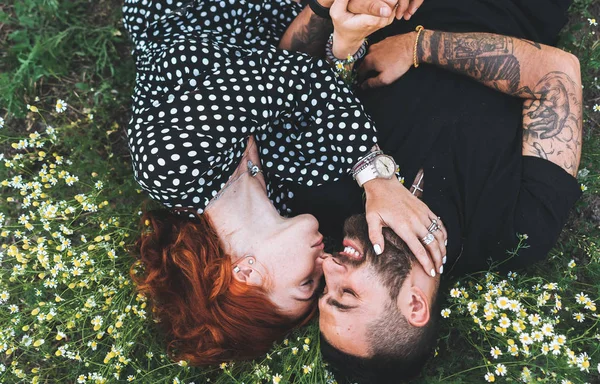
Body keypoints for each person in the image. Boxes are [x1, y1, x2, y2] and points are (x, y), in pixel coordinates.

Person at [121, 0, 437, 366]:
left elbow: (299, 82)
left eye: (306, 284)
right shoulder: (282, 195)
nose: (325, 264)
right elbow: (329, 83)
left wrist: (376, 179)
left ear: (248, 273)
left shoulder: (171, 168)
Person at [285, 0, 582, 382]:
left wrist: (324, 6)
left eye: (324, 288)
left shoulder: (329, 205)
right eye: (346, 294)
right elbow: (557, 75)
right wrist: (417, 48)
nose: (326, 265)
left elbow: (288, 72)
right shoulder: (518, 231)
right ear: (414, 305)